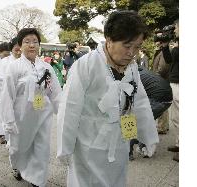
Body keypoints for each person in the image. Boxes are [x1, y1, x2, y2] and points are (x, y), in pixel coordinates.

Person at [57, 10, 159, 187]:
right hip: (88, 144)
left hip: (119, 143)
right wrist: (65, 147)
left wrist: (148, 136)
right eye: (127, 46)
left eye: (137, 47)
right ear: (109, 39)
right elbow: (69, 107)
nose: (132, 53)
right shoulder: (86, 65)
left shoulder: (132, 68)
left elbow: (140, 102)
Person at [0, 28, 62, 187]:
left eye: (35, 41)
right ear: (20, 45)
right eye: (27, 42)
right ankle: (17, 167)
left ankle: (37, 179)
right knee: (18, 147)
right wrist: (8, 121)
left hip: (42, 115)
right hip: (21, 117)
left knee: (41, 148)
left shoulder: (47, 68)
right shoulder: (14, 68)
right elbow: (7, 96)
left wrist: (61, 112)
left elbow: (54, 92)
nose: (31, 45)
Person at [129, 66, 173, 160]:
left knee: (132, 122)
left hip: (157, 100)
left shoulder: (132, 77)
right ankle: (144, 148)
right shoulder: (145, 72)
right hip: (168, 100)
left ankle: (128, 151)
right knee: (146, 124)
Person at [0, 37, 22, 145]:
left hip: (21, 97)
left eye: (21, 49)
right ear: (11, 49)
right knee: (8, 117)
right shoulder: (5, 62)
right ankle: (9, 141)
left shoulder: (26, 61)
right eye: (16, 50)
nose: (19, 52)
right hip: (8, 94)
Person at [161, 19, 179, 162]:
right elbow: (169, 61)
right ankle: (179, 144)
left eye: (177, 27)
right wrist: (165, 46)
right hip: (174, 82)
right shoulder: (177, 44)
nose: (175, 29)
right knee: (175, 118)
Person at [153, 41, 170, 134]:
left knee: (162, 104)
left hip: (160, 80)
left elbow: (163, 68)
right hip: (161, 80)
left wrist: (155, 77)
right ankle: (164, 125)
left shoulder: (163, 52)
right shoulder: (160, 52)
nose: (156, 43)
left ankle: (162, 127)